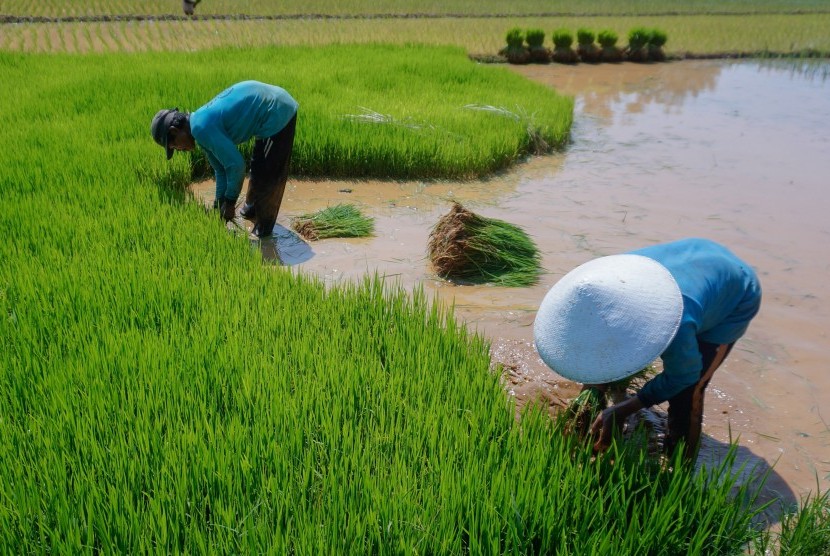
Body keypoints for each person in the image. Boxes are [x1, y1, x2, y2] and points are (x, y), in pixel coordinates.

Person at [533, 238, 762, 461]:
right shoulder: (609, 278)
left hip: (735, 293)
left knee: (688, 391)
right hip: (696, 258)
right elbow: (598, 345)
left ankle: (680, 473)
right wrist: (595, 387)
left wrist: (625, 409)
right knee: (604, 351)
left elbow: (684, 374)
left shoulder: (679, 321)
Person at [151, 80, 298, 238]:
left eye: (174, 147)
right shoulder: (199, 129)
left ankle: (264, 231)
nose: (180, 150)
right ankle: (250, 210)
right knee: (258, 169)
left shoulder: (200, 128)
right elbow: (220, 170)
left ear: (174, 131)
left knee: (268, 175)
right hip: (265, 113)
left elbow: (236, 166)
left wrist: (230, 202)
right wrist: (219, 204)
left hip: (276, 110)